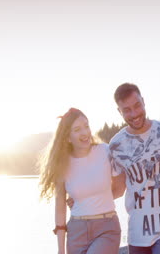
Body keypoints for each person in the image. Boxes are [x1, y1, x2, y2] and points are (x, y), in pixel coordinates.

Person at [108, 83, 160, 254]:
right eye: (126, 110)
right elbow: (118, 189)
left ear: (143, 102)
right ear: (119, 111)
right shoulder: (116, 145)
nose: (134, 114)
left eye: (137, 106)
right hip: (137, 230)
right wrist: (84, 199)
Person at [39, 107, 122, 254]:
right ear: (67, 137)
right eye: (77, 129)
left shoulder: (105, 151)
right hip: (76, 231)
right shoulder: (62, 163)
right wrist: (60, 249)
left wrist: (95, 200)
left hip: (106, 228)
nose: (85, 133)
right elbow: (60, 206)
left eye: (86, 126)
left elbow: (120, 188)